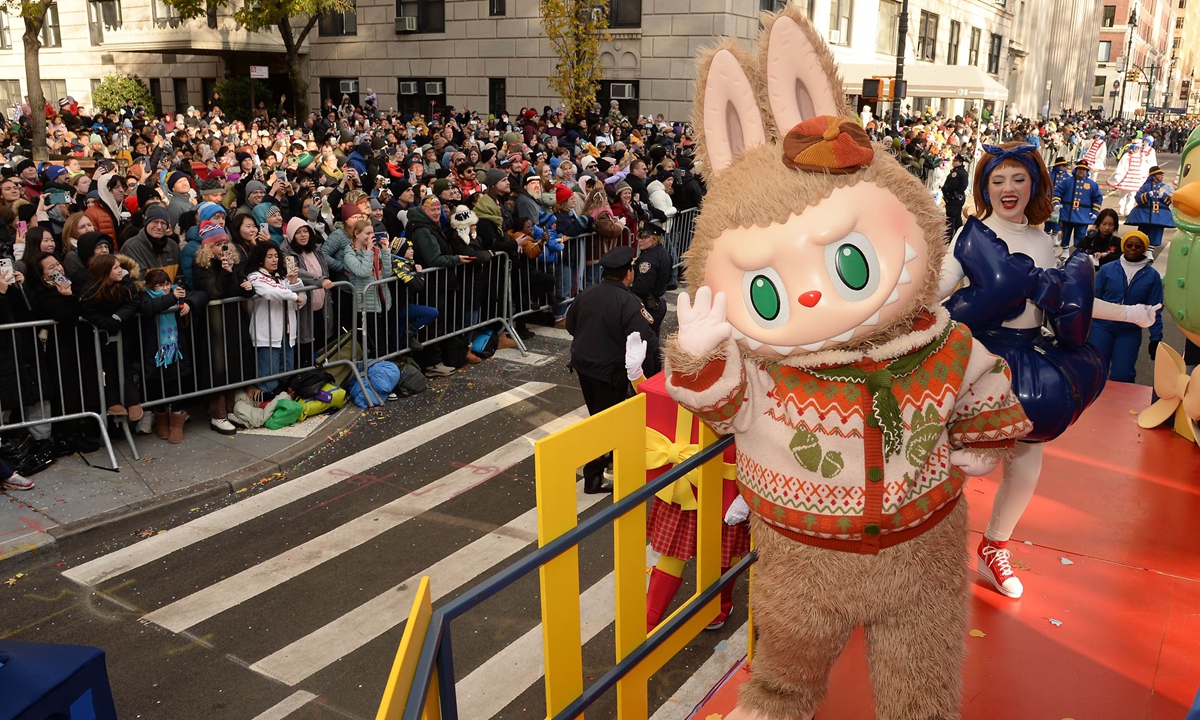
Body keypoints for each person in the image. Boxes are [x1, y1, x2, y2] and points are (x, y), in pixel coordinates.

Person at [941, 142, 1159, 600]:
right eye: (997, 179)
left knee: (1027, 462)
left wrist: (1131, 313)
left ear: (1035, 184)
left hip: (1028, 360)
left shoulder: (1043, 241)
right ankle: (922, 551)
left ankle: (995, 546)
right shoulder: (970, 236)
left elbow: (1073, 301)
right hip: (975, 359)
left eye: (1018, 178)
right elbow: (932, 293)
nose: (1007, 187)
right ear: (984, 186)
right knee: (960, 459)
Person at [564, 245, 656, 494]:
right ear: (628, 273)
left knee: (598, 417)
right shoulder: (628, 301)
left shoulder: (587, 293)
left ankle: (606, 466)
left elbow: (571, 325)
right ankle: (595, 476)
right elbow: (644, 340)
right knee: (607, 423)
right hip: (609, 371)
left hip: (584, 366)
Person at [1089, 231, 1164, 382]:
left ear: (1144, 248)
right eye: (1129, 245)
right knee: (1095, 371)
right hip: (1102, 328)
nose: (1133, 248)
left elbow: (1154, 308)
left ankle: (1120, 404)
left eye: (1138, 246)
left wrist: (1156, 337)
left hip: (1129, 331)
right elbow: (1092, 301)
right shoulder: (1107, 269)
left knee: (1123, 375)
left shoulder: (1152, 276)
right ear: (1124, 247)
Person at [245, 242, 305, 395]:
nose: (274, 260)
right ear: (261, 259)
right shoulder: (255, 276)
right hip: (267, 333)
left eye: (276, 256)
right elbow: (270, 292)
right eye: (269, 256)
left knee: (287, 370)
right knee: (269, 374)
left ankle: (283, 400)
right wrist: (292, 295)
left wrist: (294, 282)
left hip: (287, 331)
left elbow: (301, 300)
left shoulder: (282, 277)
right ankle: (267, 401)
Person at [629, 222, 671, 376]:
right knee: (653, 343)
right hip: (657, 303)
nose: (640, 240)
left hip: (649, 305)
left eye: (645, 237)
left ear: (654, 238)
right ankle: (655, 377)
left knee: (644, 346)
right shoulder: (662, 252)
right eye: (639, 236)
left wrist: (625, 292)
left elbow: (641, 287)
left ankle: (647, 379)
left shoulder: (648, 260)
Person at [1052, 160, 1102, 249]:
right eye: (1079, 169)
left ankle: (1077, 251)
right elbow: (1057, 193)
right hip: (1067, 214)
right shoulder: (1067, 182)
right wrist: (1056, 203)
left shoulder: (1092, 184)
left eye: (1083, 169)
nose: (1081, 171)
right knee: (1065, 233)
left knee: (1081, 235)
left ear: (1086, 171)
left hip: (1083, 215)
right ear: (1076, 170)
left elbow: (1097, 198)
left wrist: (1095, 212)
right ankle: (1065, 250)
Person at [1126, 165, 1175, 248]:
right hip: (1145, 215)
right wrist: (1147, 195)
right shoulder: (1146, 186)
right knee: (1142, 234)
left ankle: (1150, 251)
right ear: (1154, 176)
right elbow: (1138, 198)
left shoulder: (1165, 187)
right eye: (1159, 174)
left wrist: (1163, 196)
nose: (1162, 176)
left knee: (1156, 234)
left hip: (1159, 216)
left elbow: (1171, 201)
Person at [941, 154, 968, 240]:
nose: (953, 162)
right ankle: (958, 235)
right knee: (957, 217)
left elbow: (952, 186)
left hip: (954, 197)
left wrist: (946, 191)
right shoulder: (959, 171)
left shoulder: (958, 173)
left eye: (955, 161)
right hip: (956, 198)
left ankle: (948, 238)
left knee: (951, 218)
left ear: (960, 162)